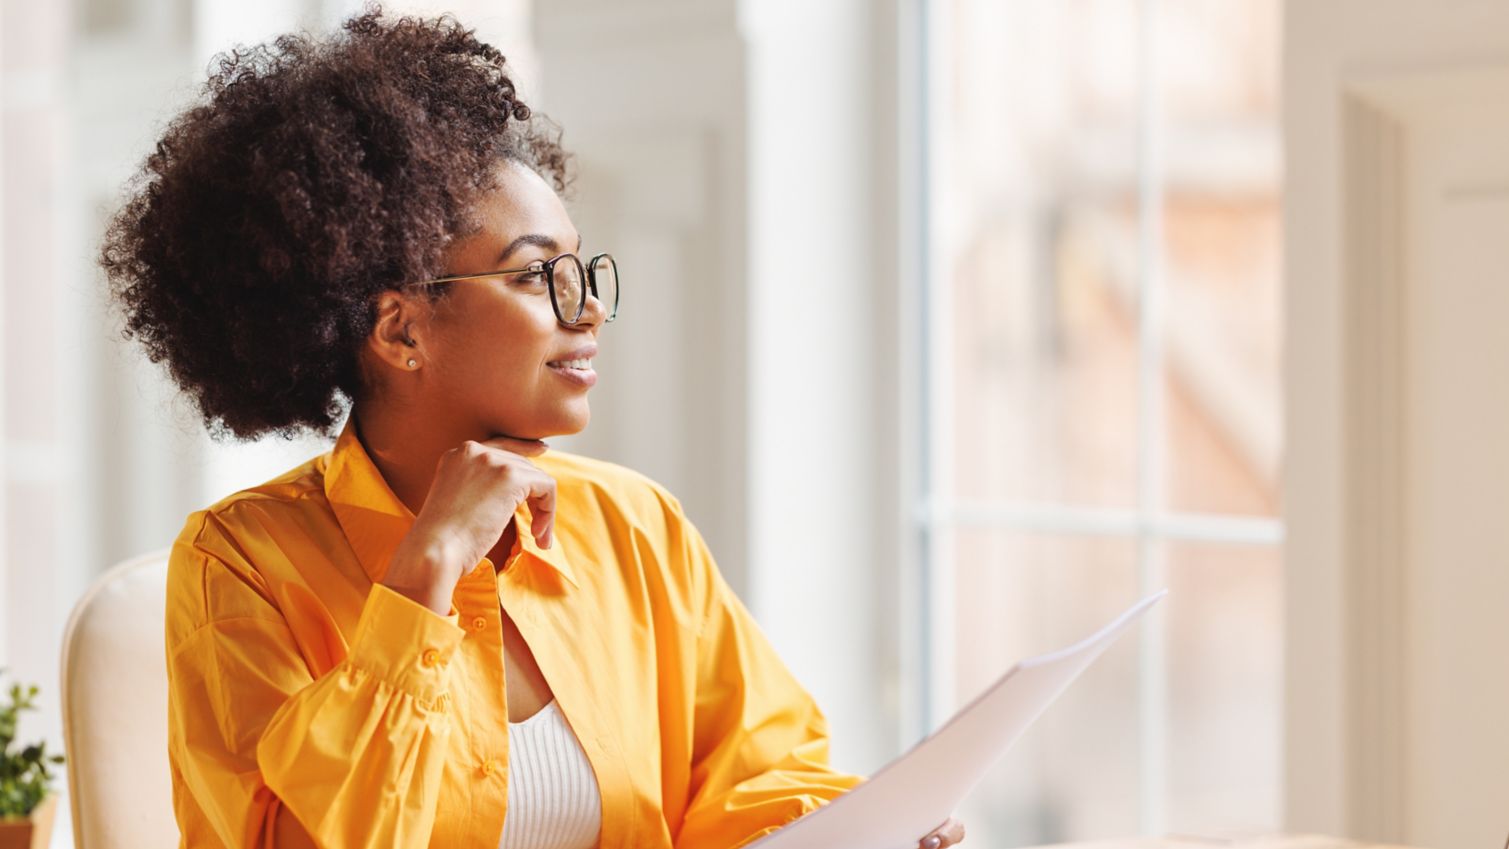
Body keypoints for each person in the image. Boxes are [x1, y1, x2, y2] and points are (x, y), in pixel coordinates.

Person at [99, 6, 966, 849]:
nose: (586, 308)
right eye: (535, 276)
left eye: (581, 269)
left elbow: (754, 780)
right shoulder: (240, 564)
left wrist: (862, 828)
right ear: (401, 329)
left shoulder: (634, 527)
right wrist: (426, 572)